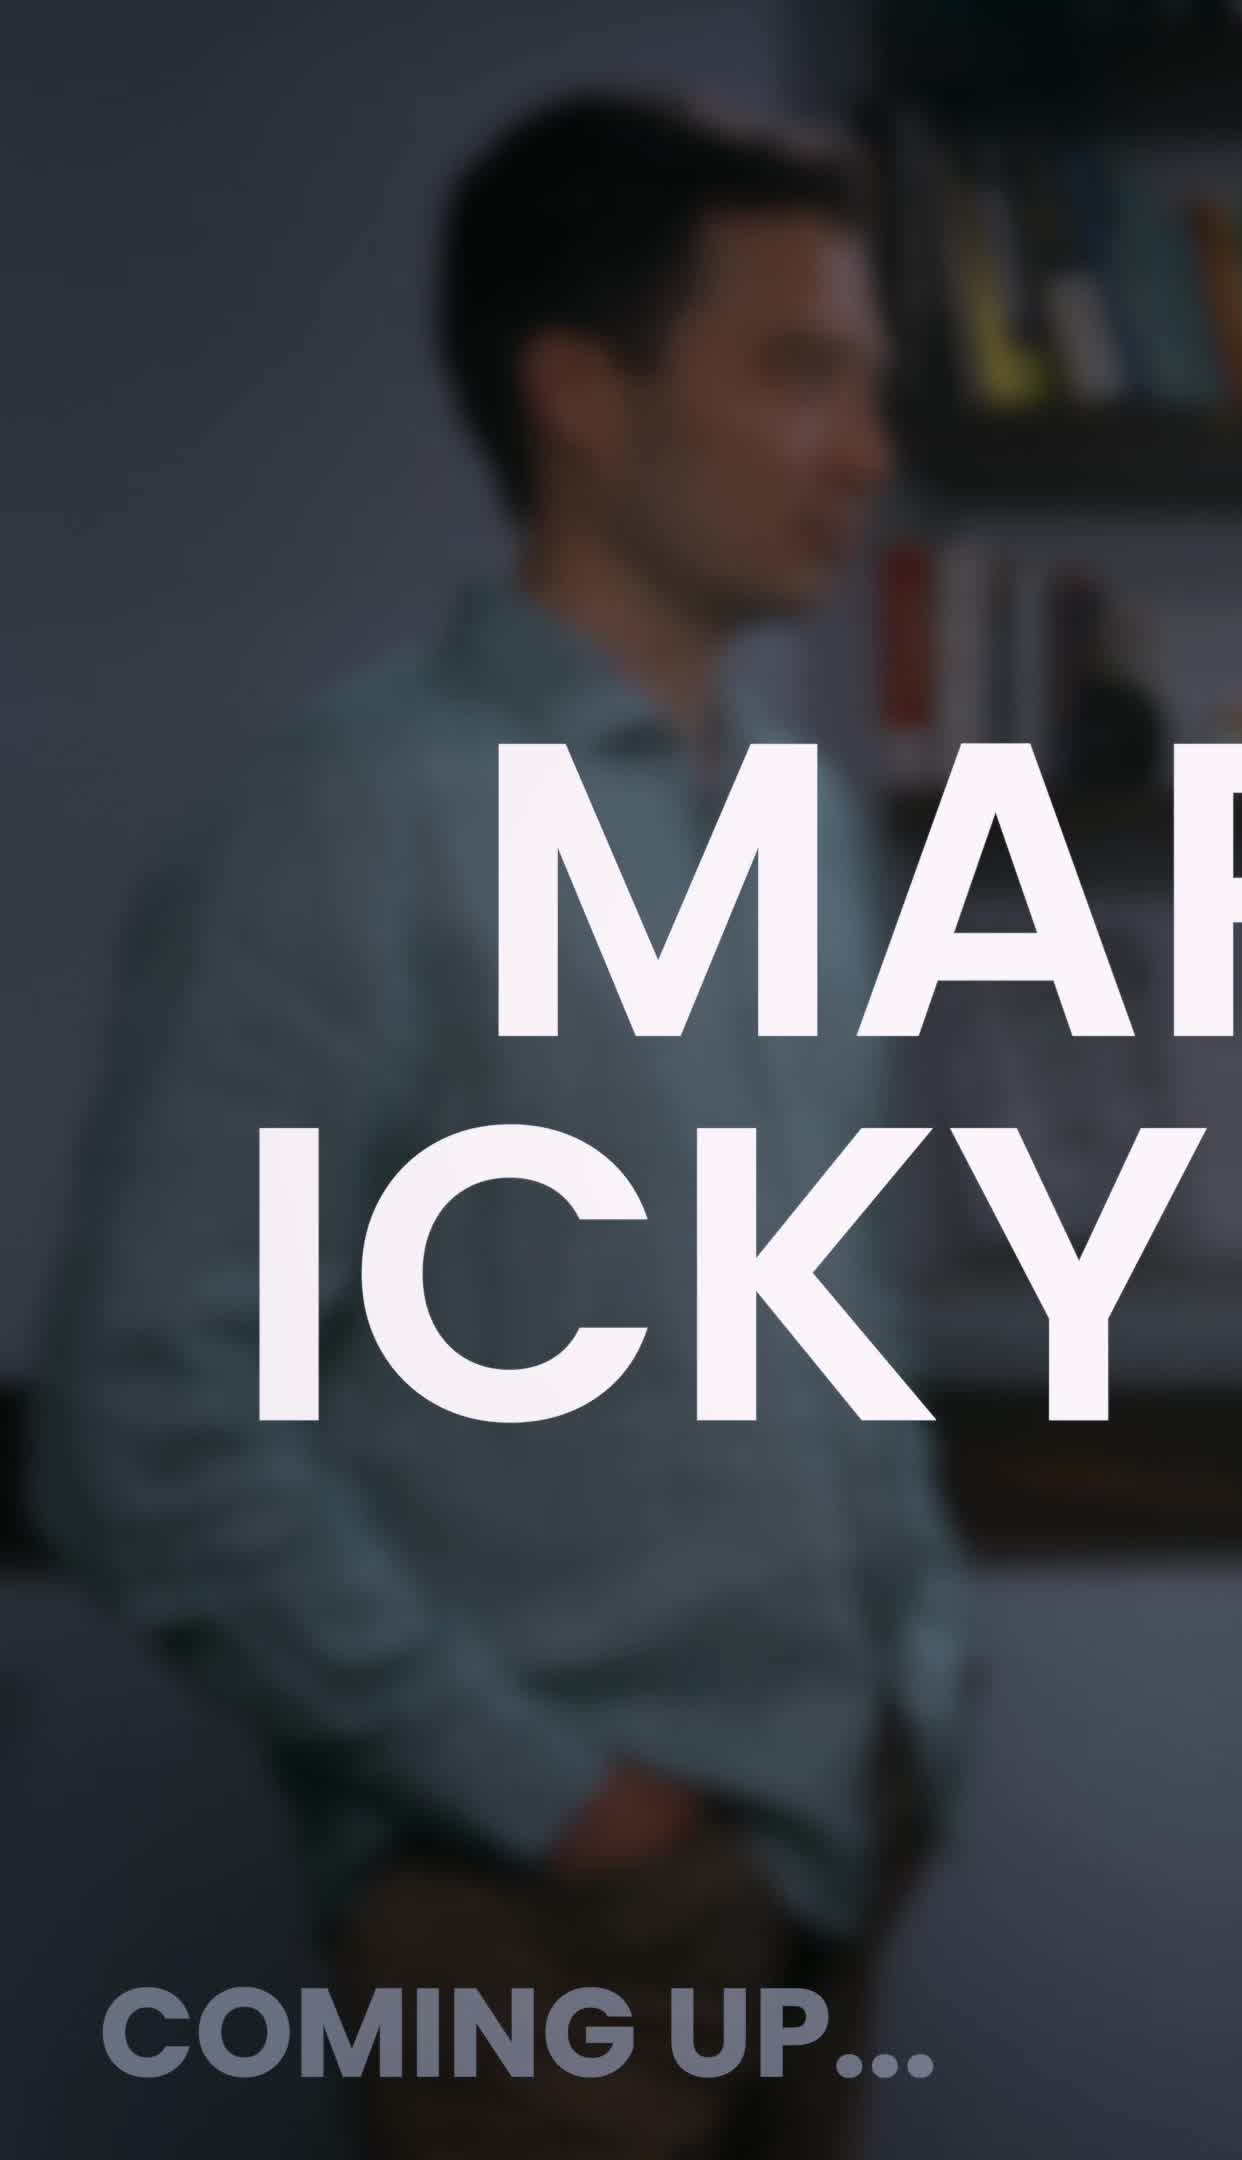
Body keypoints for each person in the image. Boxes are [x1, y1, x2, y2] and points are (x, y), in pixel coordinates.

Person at [28, 91, 964, 2160]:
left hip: (821, 1859)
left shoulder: (795, 824)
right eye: (797, 373)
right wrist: (560, 1801)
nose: (863, 454)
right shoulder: (347, 820)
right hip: (541, 1911)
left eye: (868, 386)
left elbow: (828, 1300)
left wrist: (922, 1684)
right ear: (581, 394)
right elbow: (135, 1420)